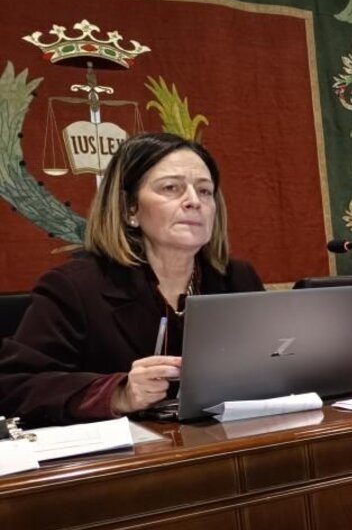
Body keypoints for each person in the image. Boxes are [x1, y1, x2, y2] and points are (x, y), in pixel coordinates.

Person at [0, 132, 264, 426]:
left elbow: (275, 367)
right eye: (171, 188)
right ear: (130, 210)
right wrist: (118, 393)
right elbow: (14, 386)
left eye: (204, 191)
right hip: (129, 463)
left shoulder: (237, 278)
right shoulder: (74, 287)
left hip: (227, 447)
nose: (193, 201)